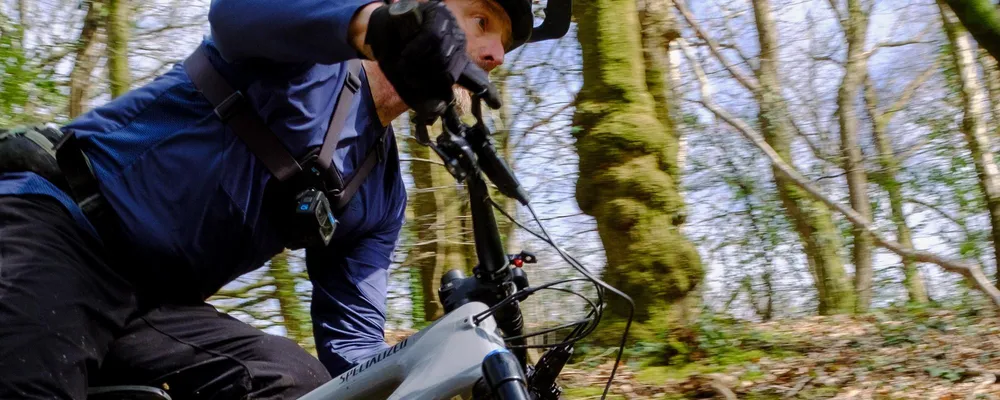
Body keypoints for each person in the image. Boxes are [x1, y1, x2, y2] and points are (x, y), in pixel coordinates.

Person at [0, 0, 533, 398]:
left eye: (502, 45)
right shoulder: (310, 51)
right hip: (63, 229)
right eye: (482, 21)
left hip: (156, 307)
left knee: (296, 382)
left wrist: (433, 379)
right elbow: (238, 12)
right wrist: (372, 26)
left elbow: (355, 347)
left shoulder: (382, 191)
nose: (495, 54)